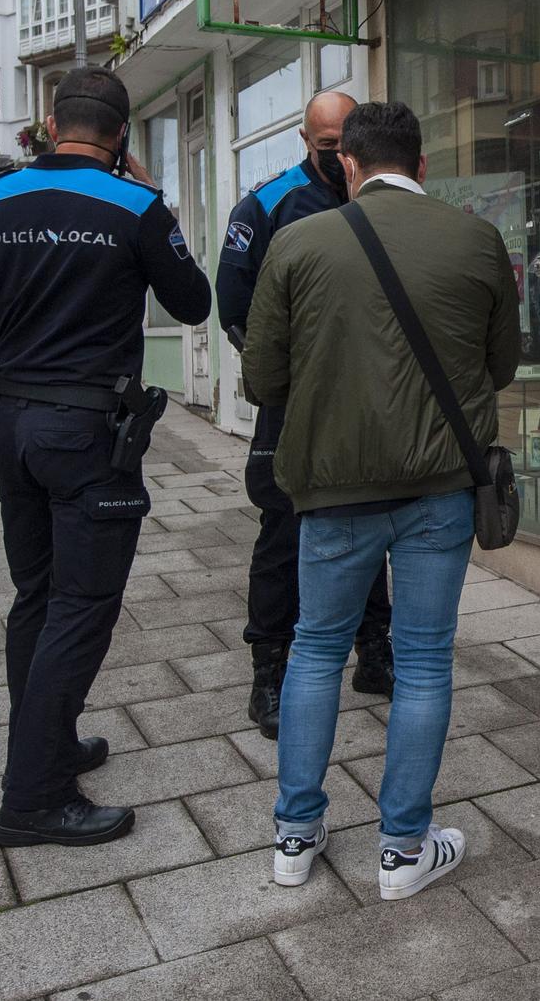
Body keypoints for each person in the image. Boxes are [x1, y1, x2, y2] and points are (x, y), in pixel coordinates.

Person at [0, 67, 210, 848]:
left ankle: (46, 744)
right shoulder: (135, 205)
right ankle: (34, 797)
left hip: (11, 424)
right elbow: (193, 301)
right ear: (120, 137)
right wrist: (159, 204)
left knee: (37, 596)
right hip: (88, 436)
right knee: (81, 607)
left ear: (51, 125)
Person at [243, 100, 519, 901]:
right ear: (422, 165)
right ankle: (402, 848)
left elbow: (263, 379)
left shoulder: (297, 242)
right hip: (439, 488)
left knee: (315, 648)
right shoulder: (476, 238)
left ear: (350, 166)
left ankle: (295, 836)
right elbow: (500, 364)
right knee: (426, 657)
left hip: (333, 492)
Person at [218, 89, 394, 739]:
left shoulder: (379, 200)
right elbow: (233, 304)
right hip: (294, 405)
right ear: (306, 140)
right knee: (284, 534)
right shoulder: (269, 204)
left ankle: (374, 654)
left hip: (371, 400)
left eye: (350, 147)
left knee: (372, 521)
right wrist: (286, 373)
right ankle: (269, 672)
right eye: (329, 149)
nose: (342, 159)